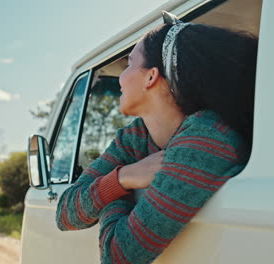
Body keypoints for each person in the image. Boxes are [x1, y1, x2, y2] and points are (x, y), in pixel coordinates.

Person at [55, 12, 258, 264]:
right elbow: (64, 213)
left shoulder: (208, 137)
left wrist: (113, 193)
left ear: (151, 76)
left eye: (129, 64)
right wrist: (122, 178)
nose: (121, 76)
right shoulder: (135, 136)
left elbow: (118, 255)